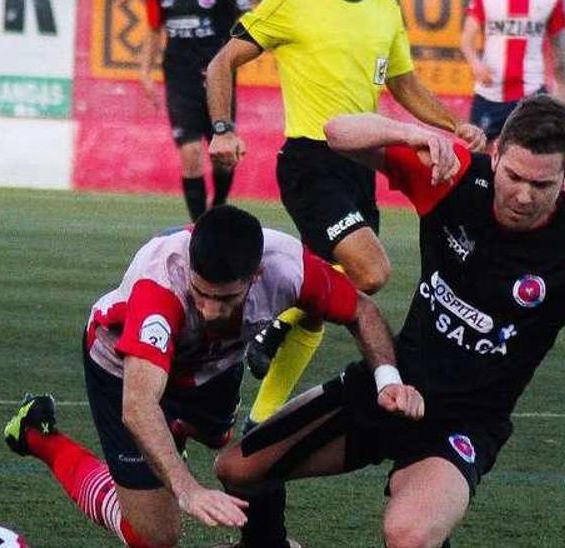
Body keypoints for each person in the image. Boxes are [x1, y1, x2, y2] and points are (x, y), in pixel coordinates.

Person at [214, 96, 565, 547]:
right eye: (513, 176)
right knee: (236, 469)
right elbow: (336, 131)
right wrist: (408, 133)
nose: (523, 195)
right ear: (495, 155)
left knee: (409, 534)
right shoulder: (451, 177)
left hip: (464, 424)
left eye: (543, 184)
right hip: (387, 381)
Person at [3, 206, 400, 548]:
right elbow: (139, 405)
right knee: (155, 536)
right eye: (201, 293)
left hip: (213, 365)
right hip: (121, 366)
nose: (210, 311)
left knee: (219, 438)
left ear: (257, 274)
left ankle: (170, 436)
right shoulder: (160, 287)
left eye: (225, 298)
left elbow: (361, 311)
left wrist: (387, 380)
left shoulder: (288, 268)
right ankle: (37, 435)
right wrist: (187, 489)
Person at [204, 0, 484, 453]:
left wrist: (455, 124)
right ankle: (274, 325)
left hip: (361, 165)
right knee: (371, 272)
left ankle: (260, 423)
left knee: (318, 307)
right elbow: (221, 63)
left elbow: (404, 83)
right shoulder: (291, 5)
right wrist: (221, 128)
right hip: (310, 162)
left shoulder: (386, 10)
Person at [138, 0, 249, 221]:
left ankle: (218, 202)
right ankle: (200, 225)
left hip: (217, 79)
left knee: (224, 159)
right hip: (180, 79)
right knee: (191, 152)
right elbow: (153, 29)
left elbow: (249, 19)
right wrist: (145, 73)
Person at [459, 0, 565, 146]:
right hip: (491, 93)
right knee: (478, 153)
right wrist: (476, 64)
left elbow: (557, 48)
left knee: (534, 156)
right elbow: (466, 41)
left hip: (531, 93)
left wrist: (561, 86)